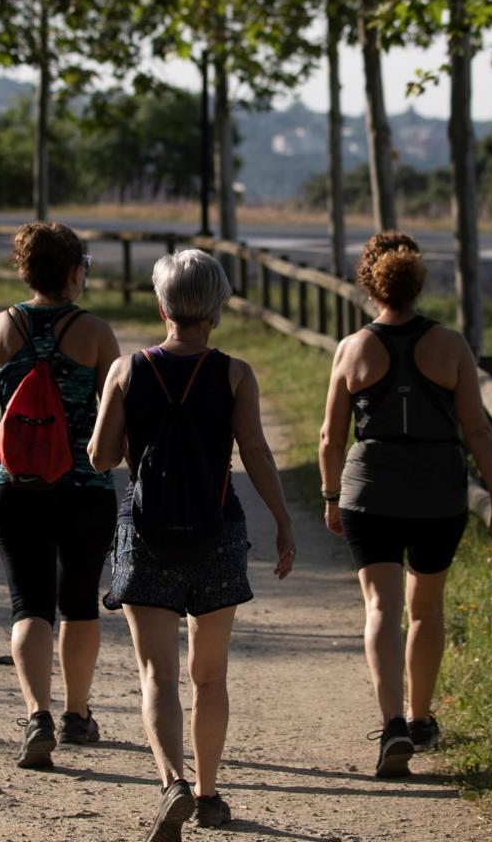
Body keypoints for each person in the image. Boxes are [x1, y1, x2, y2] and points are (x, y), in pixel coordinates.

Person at [87, 249, 297, 841]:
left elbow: (102, 458)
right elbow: (254, 452)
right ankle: (207, 795)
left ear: (162, 307)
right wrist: (282, 519)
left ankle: (171, 783)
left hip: (146, 531)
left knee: (157, 675)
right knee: (210, 676)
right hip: (217, 531)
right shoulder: (234, 373)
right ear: (218, 309)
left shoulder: (127, 370)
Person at [317, 232, 492, 777]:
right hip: (437, 491)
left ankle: (392, 726)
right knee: (425, 608)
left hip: (370, 490)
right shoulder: (450, 346)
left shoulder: (351, 348)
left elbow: (331, 438)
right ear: (418, 281)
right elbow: (477, 431)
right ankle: (422, 717)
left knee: (380, 608)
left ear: (369, 283)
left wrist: (332, 496)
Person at [0, 222, 122, 770]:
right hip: (85, 488)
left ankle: (38, 715)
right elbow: (116, 416)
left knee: (28, 603)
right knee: (79, 599)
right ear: (74, 272)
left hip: (16, 489)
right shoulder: (97, 334)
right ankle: (78, 714)